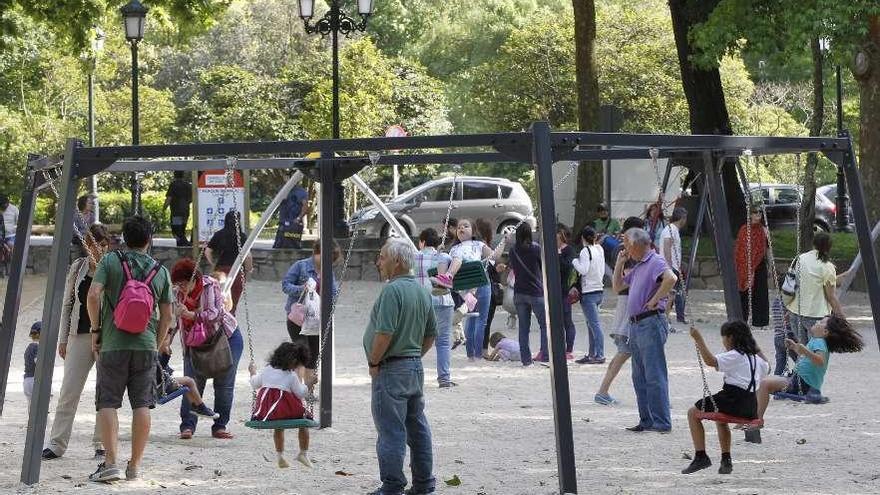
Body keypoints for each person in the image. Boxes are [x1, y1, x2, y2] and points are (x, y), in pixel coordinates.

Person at [86, 216, 173, 482]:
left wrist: (96, 329)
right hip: (145, 345)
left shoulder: (111, 261)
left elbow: (93, 295)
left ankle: (110, 463)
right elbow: (168, 316)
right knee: (142, 405)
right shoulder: (161, 271)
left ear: (123, 238)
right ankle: (134, 466)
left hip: (113, 343)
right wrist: (156, 345)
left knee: (108, 402)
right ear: (150, 239)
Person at [364, 238, 436, 495]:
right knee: (417, 427)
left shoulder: (392, 291)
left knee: (391, 430)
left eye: (382, 257)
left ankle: (393, 486)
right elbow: (430, 335)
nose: (378, 262)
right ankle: (424, 484)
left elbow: (384, 333)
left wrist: (374, 361)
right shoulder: (422, 290)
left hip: (391, 368)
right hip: (414, 367)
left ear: (396, 261)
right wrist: (414, 355)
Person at [43, 224, 111, 461]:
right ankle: (57, 443)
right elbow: (68, 303)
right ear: (86, 245)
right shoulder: (79, 267)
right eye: (93, 244)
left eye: (102, 245)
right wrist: (63, 338)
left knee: (105, 392)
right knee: (69, 390)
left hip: (105, 336)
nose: (97, 250)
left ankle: (101, 442)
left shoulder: (112, 267)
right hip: (79, 333)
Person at [753, 315, 863, 442]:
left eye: (821, 322)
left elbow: (820, 361)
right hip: (799, 380)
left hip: (802, 384)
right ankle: (753, 416)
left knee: (764, 383)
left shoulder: (820, 343)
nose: (817, 322)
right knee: (762, 383)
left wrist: (804, 351)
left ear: (825, 332)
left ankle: (758, 419)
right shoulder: (816, 341)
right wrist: (795, 347)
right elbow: (807, 357)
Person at [167, 257, 241, 440]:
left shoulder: (210, 285)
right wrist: (166, 340)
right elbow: (173, 321)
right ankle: (187, 426)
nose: (181, 288)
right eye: (178, 284)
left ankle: (220, 426)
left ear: (195, 279)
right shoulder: (176, 293)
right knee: (191, 382)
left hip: (224, 338)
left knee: (224, 384)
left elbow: (216, 314)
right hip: (194, 342)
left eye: (184, 284)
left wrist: (192, 315)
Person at [682, 321, 769, 475]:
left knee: (692, 413)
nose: (723, 342)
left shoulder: (736, 355)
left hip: (732, 399)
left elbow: (711, 362)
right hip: (750, 407)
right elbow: (767, 366)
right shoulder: (757, 360)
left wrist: (698, 338)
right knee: (721, 420)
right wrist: (754, 345)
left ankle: (701, 456)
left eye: (723, 338)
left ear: (730, 338)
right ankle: (726, 461)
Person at [614, 227, 677, 433]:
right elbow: (617, 288)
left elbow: (671, 278)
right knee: (639, 376)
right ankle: (647, 420)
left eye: (626, 244)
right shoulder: (640, 265)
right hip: (636, 324)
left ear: (636, 244)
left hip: (649, 322)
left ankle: (661, 422)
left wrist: (655, 300)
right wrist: (619, 263)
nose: (625, 248)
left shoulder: (655, 261)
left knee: (654, 374)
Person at [436, 219, 506, 359]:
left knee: (478, 319)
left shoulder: (478, 245)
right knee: (475, 319)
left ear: (473, 231)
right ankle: (472, 355)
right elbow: (443, 261)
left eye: (465, 226)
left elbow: (495, 256)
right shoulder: (454, 249)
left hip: (478, 284)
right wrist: (439, 252)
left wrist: (504, 240)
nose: (461, 228)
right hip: (469, 284)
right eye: (459, 227)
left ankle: (476, 354)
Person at [594, 217, 644, 405]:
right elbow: (625, 280)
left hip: (628, 303)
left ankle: (603, 390)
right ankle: (602, 390)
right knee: (625, 352)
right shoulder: (628, 253)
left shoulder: (624, 251)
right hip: (629, 304)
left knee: (630, 353)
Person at [248, 341, 317, 469]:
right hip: (285, 410)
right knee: (304, 420)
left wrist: (252, 371)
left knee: (278, 426)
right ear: (294, 361)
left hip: (266, 412)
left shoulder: (267, 370)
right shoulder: (291, 376)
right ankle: (303, 453)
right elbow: (301, 393)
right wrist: (309, 383)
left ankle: (280, 456)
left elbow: (254, 383)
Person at [281, 240, 340, 366]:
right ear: (315, 253)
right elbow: (285, 285)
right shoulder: (301, 266)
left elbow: (333, 293)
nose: (328, 262)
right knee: (302, 352)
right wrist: (302, 289)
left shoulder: (328, 271)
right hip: (298, 318)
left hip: (316, 318)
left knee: (314, 357)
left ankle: (308, 385)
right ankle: (298, 384)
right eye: (325, 258)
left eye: (331, 260)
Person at [785, 232, 847, 345]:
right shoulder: (827, 267)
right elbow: (831, 297)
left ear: (814, 244)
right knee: (816, 352)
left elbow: (798, 282)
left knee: (803, 352)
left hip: (795, 311)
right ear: (829, 247)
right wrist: (841, 317)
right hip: (816, 315)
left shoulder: (800, 259)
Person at [414, 228, 456, 388]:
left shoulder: (414, 257)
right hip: (443, 301)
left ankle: (413, 375)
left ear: (422, 241)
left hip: (421, 301)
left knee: (416, 340)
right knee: (443, 342)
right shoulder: (444, 257)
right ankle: (444, 378)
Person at [509, 223, 548, 365]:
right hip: (536, 291)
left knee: (523, 328)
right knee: (544, 325)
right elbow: (543, 265)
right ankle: (545, 354)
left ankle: (526, 360)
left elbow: (513, 267)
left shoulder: (513, 250)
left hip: (519, 292)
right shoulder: (536, 248)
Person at [206, 210, 253, 314]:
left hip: (221, 271)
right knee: (232, 303)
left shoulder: (219, 234)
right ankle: (230, 321)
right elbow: (248, 256)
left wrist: (212, 263)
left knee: (218, 300)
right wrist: (249, 269)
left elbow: (208, 251)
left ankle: (217, 320)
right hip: (237, 272)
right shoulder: (242, 236)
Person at [573, 227, 606, 365]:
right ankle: (592, 353)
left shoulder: (584, 251)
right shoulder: (599, 249)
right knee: (591, 324)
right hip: (599, 289)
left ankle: (599, 354)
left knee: (594, 324)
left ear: (583, 238)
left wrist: (574, 261)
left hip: (588, 292)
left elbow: (583, 270)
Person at [735, 206, 769, 327]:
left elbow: (767, 248)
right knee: (744, 292)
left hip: (759, 265)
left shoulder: (763, 230)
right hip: (745, 265)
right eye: (755, 212)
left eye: (760, 212)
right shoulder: (744, 230)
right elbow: (740, 249)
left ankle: (760, 321)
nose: (758, 214)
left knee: (760, 292)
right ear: (750, 215)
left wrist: (767, 236)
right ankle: (741, 318)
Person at [476, 218, 503, 356]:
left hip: (475, 288)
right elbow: (494, 259)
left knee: (476, 319)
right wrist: (504, 241)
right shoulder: (482, 247)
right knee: (485, 320)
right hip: (487, 288)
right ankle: (483, 350)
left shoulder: (473, 246)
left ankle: (476, 348)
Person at [660, 207, 688, 327]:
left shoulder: (672, 229)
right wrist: (670, 266)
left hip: (673, 266)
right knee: (670, 294)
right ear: (682, 218)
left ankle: (666, 317)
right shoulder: (671, 229)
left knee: (671, 294)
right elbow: (667, 247)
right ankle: (664, 319)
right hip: (670, 267)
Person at [557, 223, 577, 358]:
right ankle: (558, 347)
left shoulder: (568, 250)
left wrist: (558, 254)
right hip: (553, 289)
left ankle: (569, 349)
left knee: (567, 320)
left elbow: (567, 268)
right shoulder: (551, 249)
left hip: (564, 290)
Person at [273, 183, 309, 249]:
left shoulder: (301, 192)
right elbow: (276, 202)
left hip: (295, 225)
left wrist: (298, 218)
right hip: (283, 224)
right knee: (278, 245)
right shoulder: (283, 190)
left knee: (294, 245)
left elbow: (305, 207)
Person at [164, 171, 193, 247]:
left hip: (176, 211)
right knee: (182, 229)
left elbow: (169, 198)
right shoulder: (188, 185)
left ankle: (183, 244)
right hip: (185, 210)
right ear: (183, 175)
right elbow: (192, 198)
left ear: (174, 175)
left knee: (176, 230)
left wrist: (164, 208)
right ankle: (182, 244)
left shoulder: (173, 185)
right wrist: (186, 203)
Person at [23, 321, 40, 408]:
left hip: (27, 380)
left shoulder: (28, 348)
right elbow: (38, 361)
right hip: (35, 380)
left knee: (31, 410)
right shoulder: (38, 347)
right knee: (42, 410)